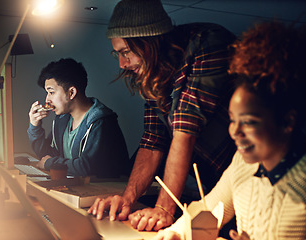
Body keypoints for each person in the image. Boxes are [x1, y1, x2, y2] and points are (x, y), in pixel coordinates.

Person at [88, 0, 236, 231]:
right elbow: (152, 139)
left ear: (149, 42)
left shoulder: (208, 42)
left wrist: (164, 209)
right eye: (116, 53)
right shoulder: (153, 71)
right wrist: (128, 200)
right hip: (217, 184)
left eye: (126, 52)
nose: (122, 63)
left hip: (254, 173)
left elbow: (184, 130)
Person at [154, 21, 306, 240]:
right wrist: (174, 233)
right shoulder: (242, 164)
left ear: (287, 121)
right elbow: (206, 209)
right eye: (233, 119)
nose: (235, 131)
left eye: (249, 122)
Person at [27, 58, 130, 178]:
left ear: (71, 92)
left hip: (108, 192)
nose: (47, 100)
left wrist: (50, 164)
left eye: (51, 92)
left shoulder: (100, 121)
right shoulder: (62, 120)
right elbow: (46, 157)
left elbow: (87, 167)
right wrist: (35, 126)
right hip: (79, 189)